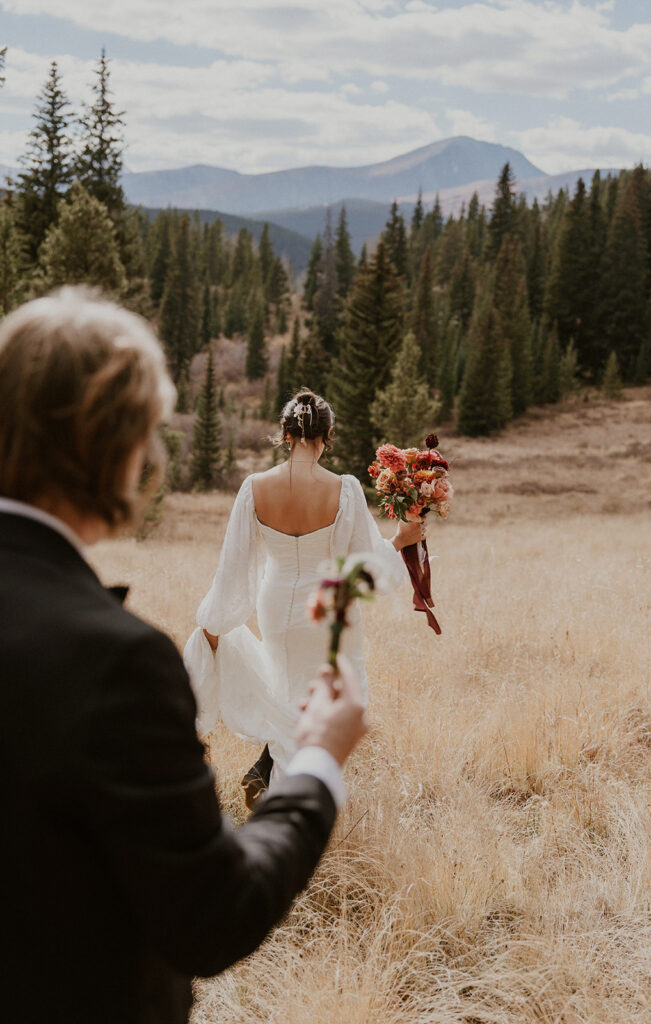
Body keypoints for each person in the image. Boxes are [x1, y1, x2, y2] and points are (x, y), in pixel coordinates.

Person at [0, 289, 368, 1024]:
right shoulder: (115, 664)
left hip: (268, 606)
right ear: (123, 454)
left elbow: (233, 579)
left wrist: (214, 624)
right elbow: (212, 915)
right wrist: (322, 762)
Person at [184, 389, 424, 807]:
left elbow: (234, 566)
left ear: (285, 433)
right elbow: (370, 569)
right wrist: (402, 539)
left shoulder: (254, 487)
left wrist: (215, 624)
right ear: (327, 435)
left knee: (286, 695)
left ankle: (274, 779)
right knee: (329, 705)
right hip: (329, 609)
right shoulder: (345, 489)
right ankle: (293, 804)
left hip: (275, 605)